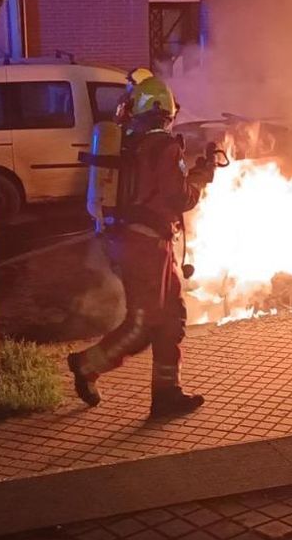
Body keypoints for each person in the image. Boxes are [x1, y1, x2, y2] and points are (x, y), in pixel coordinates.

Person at [68, 75, 214, 418]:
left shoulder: (130, 142)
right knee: (143, 322)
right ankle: (87, 364)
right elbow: (179, 197)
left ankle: (167, 395)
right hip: (146, 246)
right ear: (164, 110)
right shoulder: (164, 147)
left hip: (137, 241)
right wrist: (200, 179)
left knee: (171, 318)